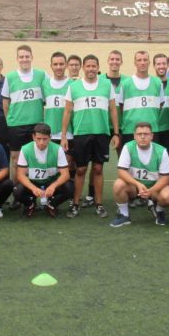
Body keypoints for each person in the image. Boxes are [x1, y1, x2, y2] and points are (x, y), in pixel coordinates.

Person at [61, 54, 120, 219]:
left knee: (98, 168)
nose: (91, 69)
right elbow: (67, 111)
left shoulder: (107, 84)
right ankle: (75, 204)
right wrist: (64, 135)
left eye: (94, 66)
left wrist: (116, 133)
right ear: (83, 68)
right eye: (88, 66)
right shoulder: (74, 87)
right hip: (81, 134)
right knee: (80, 169)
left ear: (98, 68)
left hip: (101, 133)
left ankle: (98, 204)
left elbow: (113, 110)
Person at [110, 122, 169, 227]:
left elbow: (165, 178)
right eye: (139, 134)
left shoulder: (161, 151)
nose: (143, 137)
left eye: (146, 134)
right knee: (118, 184)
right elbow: (121, 171)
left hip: (154, 188)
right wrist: (138, 184)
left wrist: (151, 191)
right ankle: (124, 215)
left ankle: (159, 211)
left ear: (152, 136)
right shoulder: (128, 147)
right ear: (134, 136)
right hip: (134, 187)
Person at [2, 45, 46, 187]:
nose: (24, 59)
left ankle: (34, 192)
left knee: (34, 159)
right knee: (15, 159)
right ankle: (16, 193)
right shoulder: (10, 77)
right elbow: (5, 102)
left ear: (32, 57)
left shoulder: (42, 75)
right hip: (16, 125)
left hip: (36, 124)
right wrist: (10, 120)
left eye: (27, 56)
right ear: (17, 59)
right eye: (21, 56)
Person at [13, 123, 74, 217]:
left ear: (50, 137)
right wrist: (33, 188)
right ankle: (30, 204)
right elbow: (20, 175)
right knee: (17, 190)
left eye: (44, 139)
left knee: (69, 188)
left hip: (50, 182)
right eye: (38, 138)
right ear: (33, 137)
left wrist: (53, 186)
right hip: (33, 182)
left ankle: (52, 204)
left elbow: (66, 175)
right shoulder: (25, 149)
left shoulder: (58, 149)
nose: (41, 142)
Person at [117, 50, 164, 146]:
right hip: (130, 130)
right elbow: (121, 107)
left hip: (152, 130)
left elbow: (160, 104)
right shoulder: (125, 83)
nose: (142, 63)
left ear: (149, 62)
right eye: (139, 60)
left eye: (145, 60)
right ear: (135, 63)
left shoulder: (157, 82)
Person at [42, 51, 72, 151]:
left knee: (69, 163)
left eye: (61, 64)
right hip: (50, 133)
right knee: (52, 165)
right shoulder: (44, 84)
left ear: (66, 65)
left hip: (69, 133)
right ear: (51, 66)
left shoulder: (73, 84)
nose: (58, 67)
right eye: (55, 64)